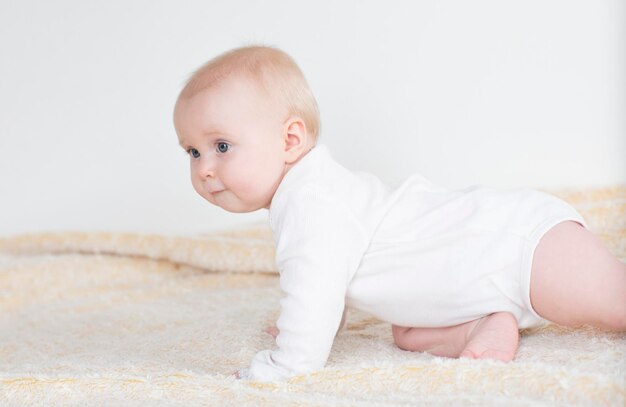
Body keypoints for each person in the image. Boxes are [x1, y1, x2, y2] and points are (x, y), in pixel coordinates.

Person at [173, 45, 626, 382]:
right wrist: (311, 317)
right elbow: (327, 279)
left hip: (518, 247)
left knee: (615, 301)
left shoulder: (312, 203)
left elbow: (314, 289)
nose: (205, 169)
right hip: (481, 278)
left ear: (290, 140)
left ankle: (494, 314)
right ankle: (485, 324)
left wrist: (285, 361)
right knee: (408, 332)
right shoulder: (312, 195)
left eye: (222, 146)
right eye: (192, 151)